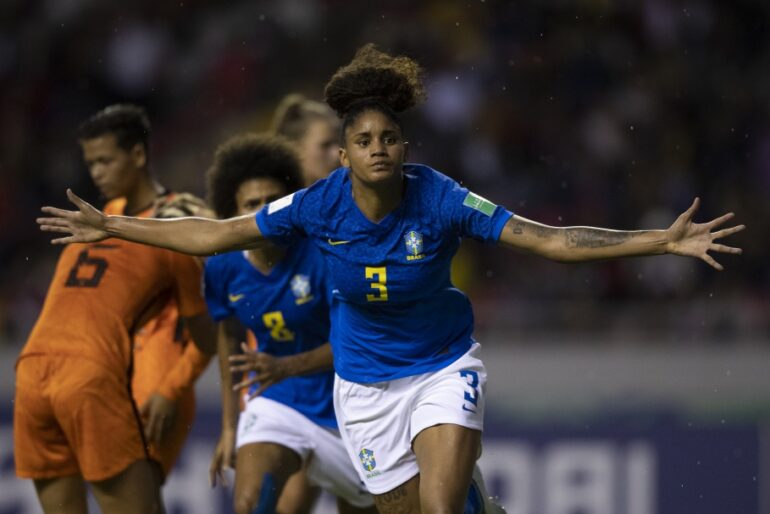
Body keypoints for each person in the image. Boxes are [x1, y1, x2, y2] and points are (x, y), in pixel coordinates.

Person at [37, 44, 744, 514]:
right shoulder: (318, 203)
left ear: (404, 146)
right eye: (364, 141)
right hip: (365, 388)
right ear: (342, 154)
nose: (379, 149)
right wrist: (116, 225)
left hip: (440, 366)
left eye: (390, 139)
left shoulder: (437, 195)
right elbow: (219, 233)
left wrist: (660, 240)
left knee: (436, 509)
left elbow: (550, 239)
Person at [17, 104, 217, 514]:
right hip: (86, 374)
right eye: (91, 162)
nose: (96, 173)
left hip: (30, 371)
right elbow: (207, 333)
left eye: (106, 160)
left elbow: (205, 228)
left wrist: (169, 386)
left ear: (139, 155)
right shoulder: (155, 226)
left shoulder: (101, 223)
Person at [205, 133, 375, 514]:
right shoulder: (222, 266)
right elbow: (228, 336)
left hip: (348, 409)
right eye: (252, 204)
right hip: (277, 403)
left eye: (273, 201)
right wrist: (230, 427)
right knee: (251, 504)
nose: (265, 213)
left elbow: (353, 342)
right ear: (234, 212)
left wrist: (285, 366)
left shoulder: (323, 253)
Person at [270, 93, 340, 186]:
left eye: (338, 143)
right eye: (325, 146)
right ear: (295, 149)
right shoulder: (271, 197)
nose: (337, 154)